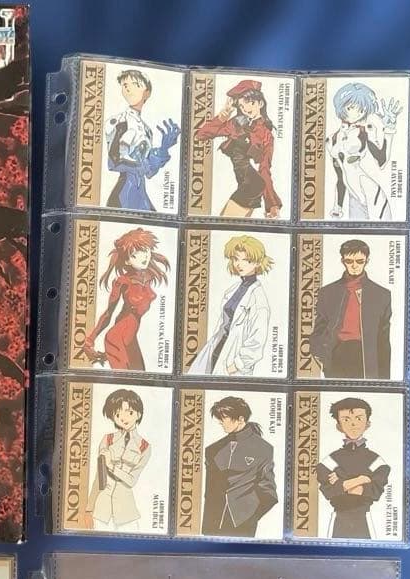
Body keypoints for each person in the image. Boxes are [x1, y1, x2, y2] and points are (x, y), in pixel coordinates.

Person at [83, 228, 170, 371]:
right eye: (135, 254)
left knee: (141, 376)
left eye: (146, 250)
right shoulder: (122, 282)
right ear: (127, 261)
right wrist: (90, 340)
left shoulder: (147, 277)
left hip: (131, 340)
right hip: (116, 339)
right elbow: (108, 313)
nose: (144, 256)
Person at [194, 79, 281, 218]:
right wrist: (223, 115)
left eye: (249, 102)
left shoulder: (267, 135)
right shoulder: (236, 123)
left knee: (222, 225)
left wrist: (272, 204)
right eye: (241, 105)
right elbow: (201, 135)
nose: (245, 108)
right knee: (223, 224)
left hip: (253, 185)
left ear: (260, 103)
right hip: (247, 187)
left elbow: (264, 169)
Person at [189, 235, 273, 376]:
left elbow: (256, 343)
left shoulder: (258, 299)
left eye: (246, 260)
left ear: (258, 262)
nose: (239, 264)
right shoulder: (235, 289)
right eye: (236, 259)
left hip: (232, 363)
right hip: (217, 350)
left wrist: (233, 367)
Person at [308, 240, 392, 380]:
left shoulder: (382, 294)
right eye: (349, 261)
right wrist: (320, 356)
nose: (354, 266)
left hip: (366, 357)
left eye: (359, 261)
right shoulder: (327, 292)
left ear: (367, 261)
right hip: (336, 355)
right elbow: (319, 330)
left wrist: (384, 381)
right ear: (343, 261)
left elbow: (384, 341)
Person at [104, 68, 180, 211]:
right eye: (125, 85)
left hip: (141, 194)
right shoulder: (119, 122)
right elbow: (113, 162)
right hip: (123, 195)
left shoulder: (147, 130)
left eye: (135, 85)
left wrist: (164, 148)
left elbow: (149, 172)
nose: (128, 88)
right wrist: (140, 166)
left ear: (147, 93)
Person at [202, 397, 277, 537]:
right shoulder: (212, 450)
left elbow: (269, 493)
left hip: (243, 524)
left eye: (224, 417)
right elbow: (209, 490)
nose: (220, 421)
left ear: (240, 419)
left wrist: (251, 517)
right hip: (212, 523)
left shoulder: (263, 449)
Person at [316, 398, 390, 540]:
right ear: (339, 426)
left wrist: (342, 483)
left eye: (359, 418)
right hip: (338, 519)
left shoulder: (377, 461)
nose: (353, 424)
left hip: (365, 520)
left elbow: (374, 492)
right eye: (346, 419)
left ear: (367, 423)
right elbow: (330, 491)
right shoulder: (330, 460)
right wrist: (361, 479)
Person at [327, 82, 401, 221]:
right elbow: (340, 177)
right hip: (354, 197)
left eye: (362, 110)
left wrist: (389, 128)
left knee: (382, 229)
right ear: (342, 106)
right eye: (352, 107)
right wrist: (338, 206)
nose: (359, 113)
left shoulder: (365, 131)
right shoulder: (331, 140)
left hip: (370, 191)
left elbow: (382, 160)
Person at [84, 389, 151, 533]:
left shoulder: (144, 446)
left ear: (138, 414)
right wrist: (89, 508)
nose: (123, 418)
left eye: (129, 412)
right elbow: (99, 477)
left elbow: (132, 480)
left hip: (126, 511)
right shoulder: (107, 440)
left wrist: (111, 467)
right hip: (101, 510)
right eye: (118, 414)